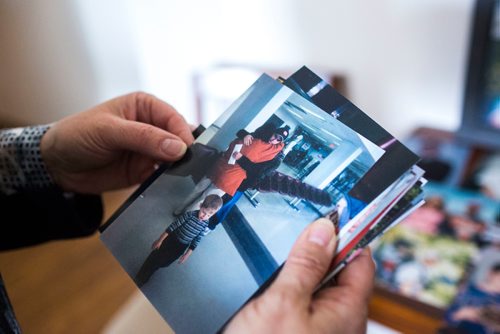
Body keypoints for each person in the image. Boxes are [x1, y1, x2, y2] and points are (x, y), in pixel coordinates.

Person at [0, 92, 375, 333]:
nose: (277, 143)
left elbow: (280, 182)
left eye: (280, 143)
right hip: (212, 179)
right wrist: (241, 143)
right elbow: (241, 136)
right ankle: (168, 245)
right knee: (190, 216)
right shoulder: (251, 139)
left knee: (207, 220)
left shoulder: (268, 162)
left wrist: (317, 193)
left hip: (227, 191)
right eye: (274, 138)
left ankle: (183, 244)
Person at [174, 123, 289, 214]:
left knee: (205, 197)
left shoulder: (272, 153)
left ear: (281, 143)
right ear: (271, 132)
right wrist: (245, 134)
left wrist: (241, 158)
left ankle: (185, 215)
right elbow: (240, 132)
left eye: (279, 140)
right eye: (275, 136)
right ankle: (181, 211)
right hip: (223, 170)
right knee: (200, 191)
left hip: (230, 176)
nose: (275, 140)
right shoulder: (257, 138)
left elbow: (256, 171)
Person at [134, 194, 223, 287]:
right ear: (200, 206)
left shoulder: (206, 223)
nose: (205, 216)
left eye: (209, 215)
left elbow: (197, 240)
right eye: (204, 212)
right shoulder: (189, 215)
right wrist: (160, 240)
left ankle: (152, 269)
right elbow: (172, 227)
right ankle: (141, 278)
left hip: (181, 247)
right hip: (172, 239)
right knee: (155, 257)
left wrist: (187, 254)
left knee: (164, 262)